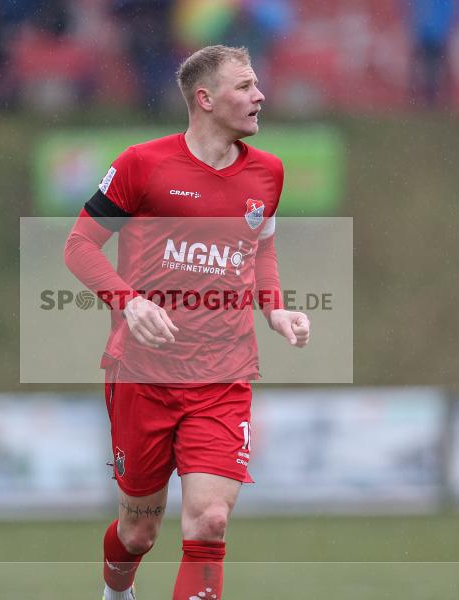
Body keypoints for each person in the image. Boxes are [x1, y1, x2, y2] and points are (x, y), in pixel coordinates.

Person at [64, 45, 310, 600]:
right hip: (143, 378)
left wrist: (274, 308)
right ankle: (116, 591)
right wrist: (130, 301)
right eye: (245, 86)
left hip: (223, 377)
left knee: (209, 523)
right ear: (206, 98)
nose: (259, 95)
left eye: (257, 84)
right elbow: (79, 247)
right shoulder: (141, 165)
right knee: (138, 531)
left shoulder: (268, 173)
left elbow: (260, 251)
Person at [408, 0, 459, 108]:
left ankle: (431, 99)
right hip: (433, 35)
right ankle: (435, 99)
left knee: (430, 69)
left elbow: (415, 13)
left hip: (430, 36)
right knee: (432, 69)